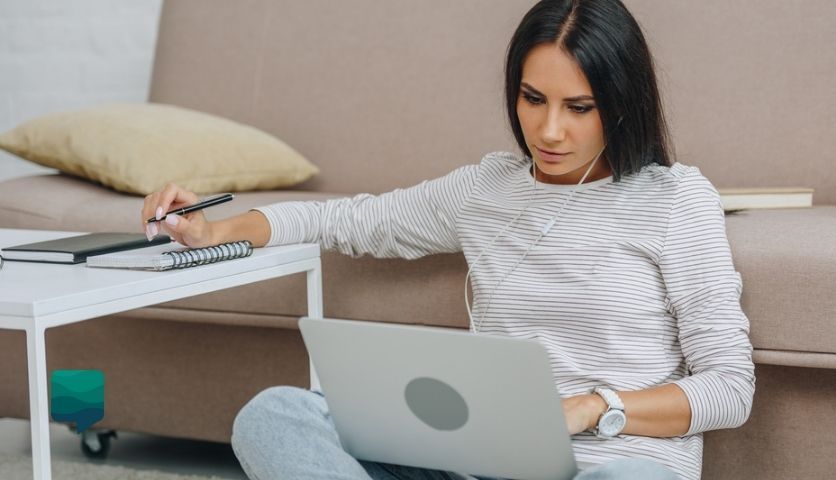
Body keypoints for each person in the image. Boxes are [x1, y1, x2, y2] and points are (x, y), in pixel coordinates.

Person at [140, 0, 755, 478]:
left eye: (579, 107)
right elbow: (349, 221)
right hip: (484, 464)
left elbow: (730, 388)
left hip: (616, 466)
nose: (549, 129)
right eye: (532, 98)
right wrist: (217, 229)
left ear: (619, 106)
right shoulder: (487, 189)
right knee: (273, 417)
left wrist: (594, 407)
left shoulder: (674, 199)